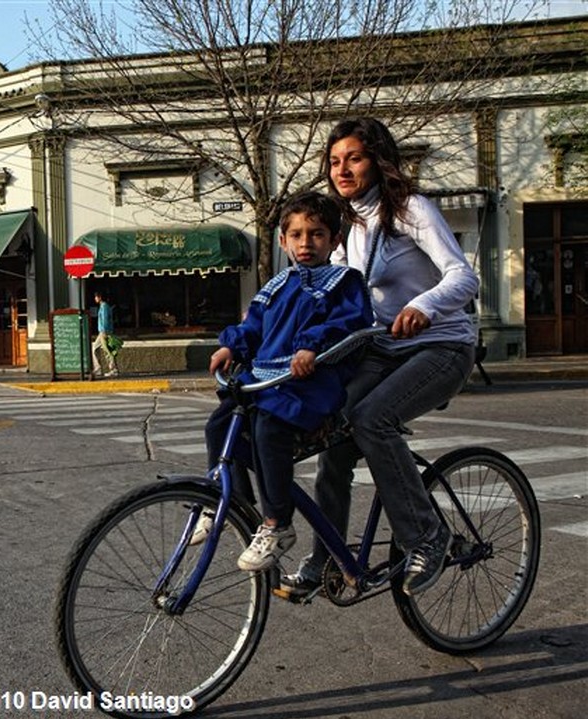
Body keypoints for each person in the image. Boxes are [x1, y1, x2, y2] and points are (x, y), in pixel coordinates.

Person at [281, 118, 480, 599]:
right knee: (332, 437)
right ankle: (326, 560)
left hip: (442, 345)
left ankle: (428, 538)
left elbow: (463, 277)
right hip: (381, 350)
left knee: (372, 418)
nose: (342, 169)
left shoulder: (411, 210)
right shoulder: (347, 227)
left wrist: (423, 306)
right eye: (334, 161)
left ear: (377, 160)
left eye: (354, 158)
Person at [199, 190, 373, 572]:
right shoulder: (277, 284)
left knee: (268, 430)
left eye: (316, 234)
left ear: (334, 240)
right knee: (219, 425)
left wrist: (312, 347)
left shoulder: (344, 281)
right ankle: (231, 506)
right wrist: (233, 346)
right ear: (283, 240)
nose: (306, 243)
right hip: (267, 378)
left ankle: (278, 522)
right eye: (297, 235)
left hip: (310, 382)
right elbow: (254, 325)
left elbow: (346, 323)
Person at [91, 292, 119, 378]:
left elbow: (105, 319)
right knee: (96, 348)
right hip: (102, 332)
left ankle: (113, 370)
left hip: (104, 332)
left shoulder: (104, 307)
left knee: (107, 351)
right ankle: (99, 368)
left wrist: (104, 332)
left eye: (96, 297)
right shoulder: (103, 306)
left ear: (100, 297)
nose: (95, 298)